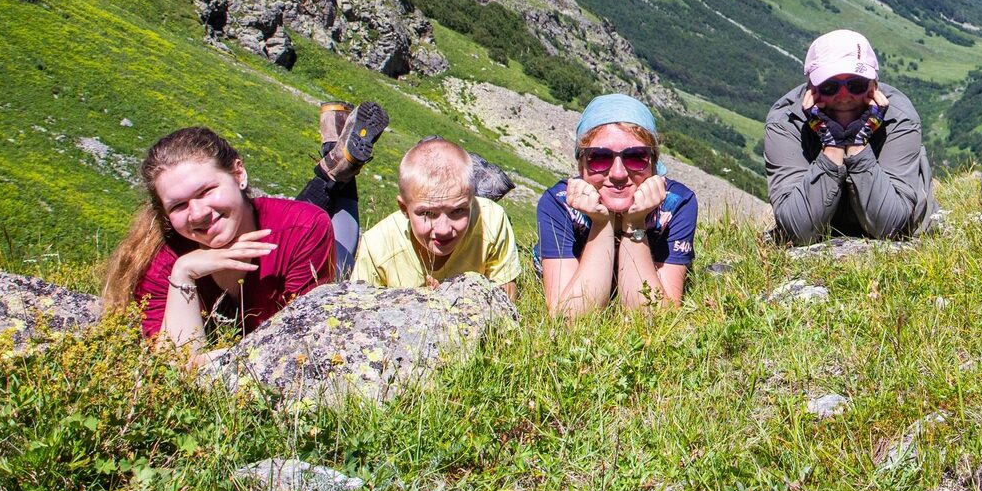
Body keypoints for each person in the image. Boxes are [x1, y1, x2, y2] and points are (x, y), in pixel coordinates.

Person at [100, 126, 335, 355]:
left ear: (238, 174)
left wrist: (206, 361)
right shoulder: (160, 263)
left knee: (341, 225)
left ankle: (335, 171)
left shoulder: (304, 227)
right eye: (178, 205)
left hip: (313, 237)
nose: (198, 213)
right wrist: (183, 273)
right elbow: (173, 366)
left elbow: (303, 341)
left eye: (206, 191)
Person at [764, 29, 938, 245]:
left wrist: (857, 144)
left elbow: (891, 227)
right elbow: (799, 230)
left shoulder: (899, 118)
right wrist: (832, 145)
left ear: (874, 84)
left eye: (856, 84)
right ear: (811, 87)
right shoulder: (786, 122)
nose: (844, 97)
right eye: (829, 86)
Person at [536, 94, 697, 318]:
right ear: (581, 164)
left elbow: (654, 318)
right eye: (599, 157)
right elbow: (569, 318)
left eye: (636, 157)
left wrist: (634, 222)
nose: (618, 174)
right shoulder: (558, 204)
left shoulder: (677, 204)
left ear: (653, 162)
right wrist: (602, 224)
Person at [351, 138, 520, 296]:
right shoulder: (377, 246)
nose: (444, 229)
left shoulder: (491, 220)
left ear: (472, 200)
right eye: (427, 214)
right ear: (404, 208)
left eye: (458, 211)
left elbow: (505, 300)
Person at [294, 100, 389, 278]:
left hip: (335, 262)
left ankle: (336, 154)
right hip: (326, 269)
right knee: (282, 237)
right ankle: (334, 156)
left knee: (284, 241)